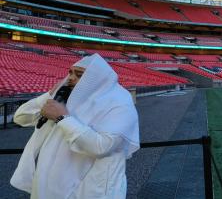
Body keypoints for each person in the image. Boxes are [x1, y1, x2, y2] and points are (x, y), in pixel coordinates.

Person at [10, 53, 140, 199]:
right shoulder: (66, 97)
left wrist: (62, 118)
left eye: (79, 74)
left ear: (95, 79)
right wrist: (50, 95)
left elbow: (103, 146)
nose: (71, 78)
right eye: (70, 72)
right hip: (48, 186)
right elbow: (20, 117)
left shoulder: (119, 102)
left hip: (90, 190)